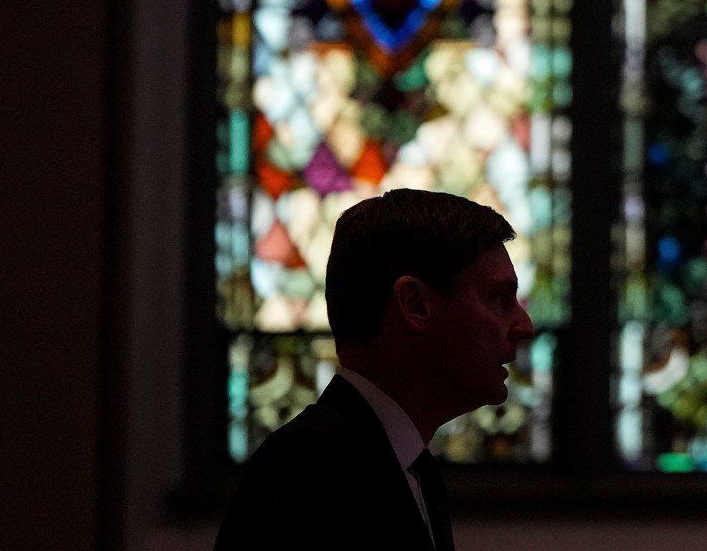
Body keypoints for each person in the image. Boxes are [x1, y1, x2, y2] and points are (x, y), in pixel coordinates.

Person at [217, 190, 534, 551]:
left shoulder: (410, 467)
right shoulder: (309, 474)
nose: (525, 326)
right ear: (416, 305)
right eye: (499, 298)